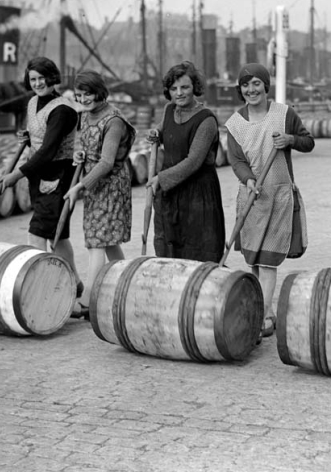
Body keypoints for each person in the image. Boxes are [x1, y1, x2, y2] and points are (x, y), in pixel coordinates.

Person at [225, 63, 314, 341]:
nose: (251, 90)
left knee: (268, 262)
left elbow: (308, 141)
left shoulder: (284, 114)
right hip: (251, 196)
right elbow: (236, 160)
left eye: (256, 84)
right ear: (240, 89)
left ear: (266, 86)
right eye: (245, 85)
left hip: (278, 195)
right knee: (252, 259)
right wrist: (249, 179)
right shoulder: (235, 123)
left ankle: (261, 316)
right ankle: (264, 308)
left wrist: (289, 139)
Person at [0, 56, 83, 298]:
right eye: (33, 79)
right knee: (59, 233)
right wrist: (27, 135)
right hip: (39, 175)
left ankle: (45, 288)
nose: (37, 83)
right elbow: (39, 134)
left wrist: (16, 175)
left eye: (42, 78)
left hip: (58, 173)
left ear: (52, 77)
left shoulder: (63, 109)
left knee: (38, 232)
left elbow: (48, 150)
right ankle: (74, 284)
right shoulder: (33, 102)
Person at [63, 70, 136, 319]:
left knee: (97, 240)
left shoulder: (113, 121)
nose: (83, 100)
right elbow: (86, 147)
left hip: (111, 185)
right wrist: (79, 155)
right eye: (79, 95)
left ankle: (87, 301)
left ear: (100, 92)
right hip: (94, 184)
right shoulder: (86, 116)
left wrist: (80, 186)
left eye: (88, 94)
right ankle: (128, 286)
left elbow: (105, 163)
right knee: (108, 239)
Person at [147, 61, 225, 262]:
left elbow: (193, 161)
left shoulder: (206, 120)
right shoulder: (169, 110)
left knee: (197, 252)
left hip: (197, 196)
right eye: (173, 89)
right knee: (169, 250)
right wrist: (156, 132)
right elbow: (165, 130)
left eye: (185, 87)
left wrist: (160, 178)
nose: (179, 93)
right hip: (171, 193)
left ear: (195, 88)